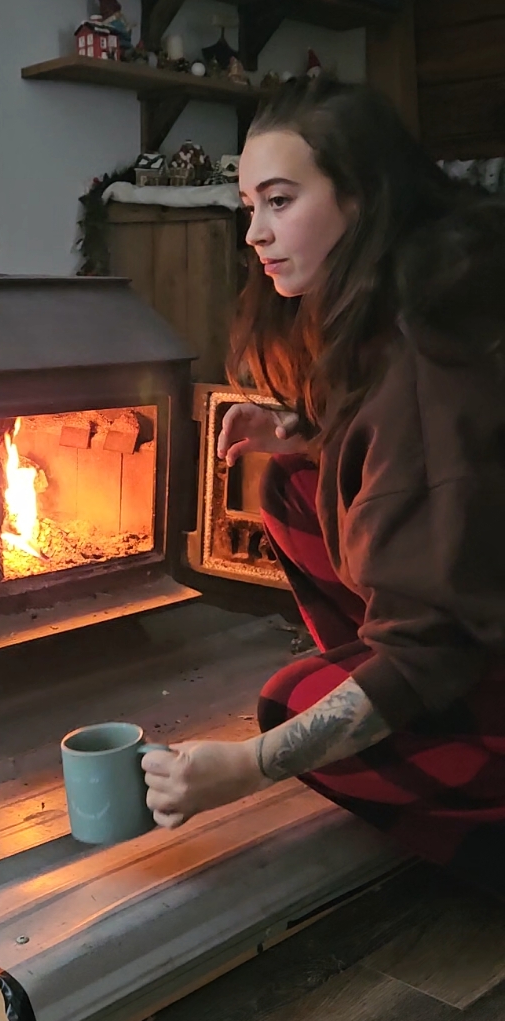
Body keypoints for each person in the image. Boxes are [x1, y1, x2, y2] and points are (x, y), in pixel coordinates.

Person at [141, 76, 505, 898]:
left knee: (288, 707)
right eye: (248, 207)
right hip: (466, 618)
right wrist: (306, 436)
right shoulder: (395, 297)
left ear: (361, 198)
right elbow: (397, 466)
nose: (256, 235)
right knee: (291, 485)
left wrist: (246, 768)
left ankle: (482, 841)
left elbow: (432, 648)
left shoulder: (425, 360)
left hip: (477, 657)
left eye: (279, 201)